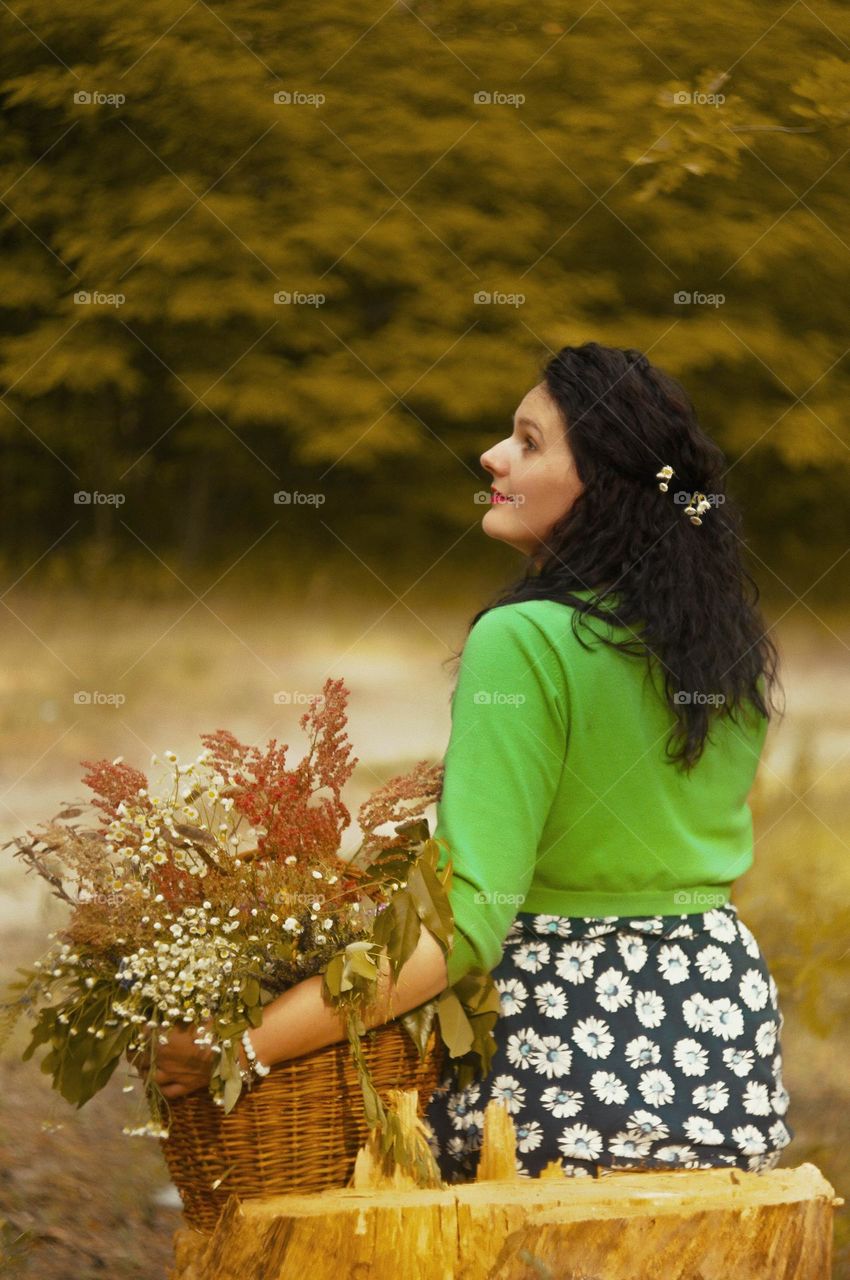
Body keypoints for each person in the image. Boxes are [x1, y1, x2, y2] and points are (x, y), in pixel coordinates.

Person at [146, 341, 793, 1183]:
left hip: (567, 1062)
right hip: (724, 1045)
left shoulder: (523, 639)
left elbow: (464, 927)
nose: (492, 455)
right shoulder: (720, 645)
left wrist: (240, 1044)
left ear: (597, 481)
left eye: (528, 442)